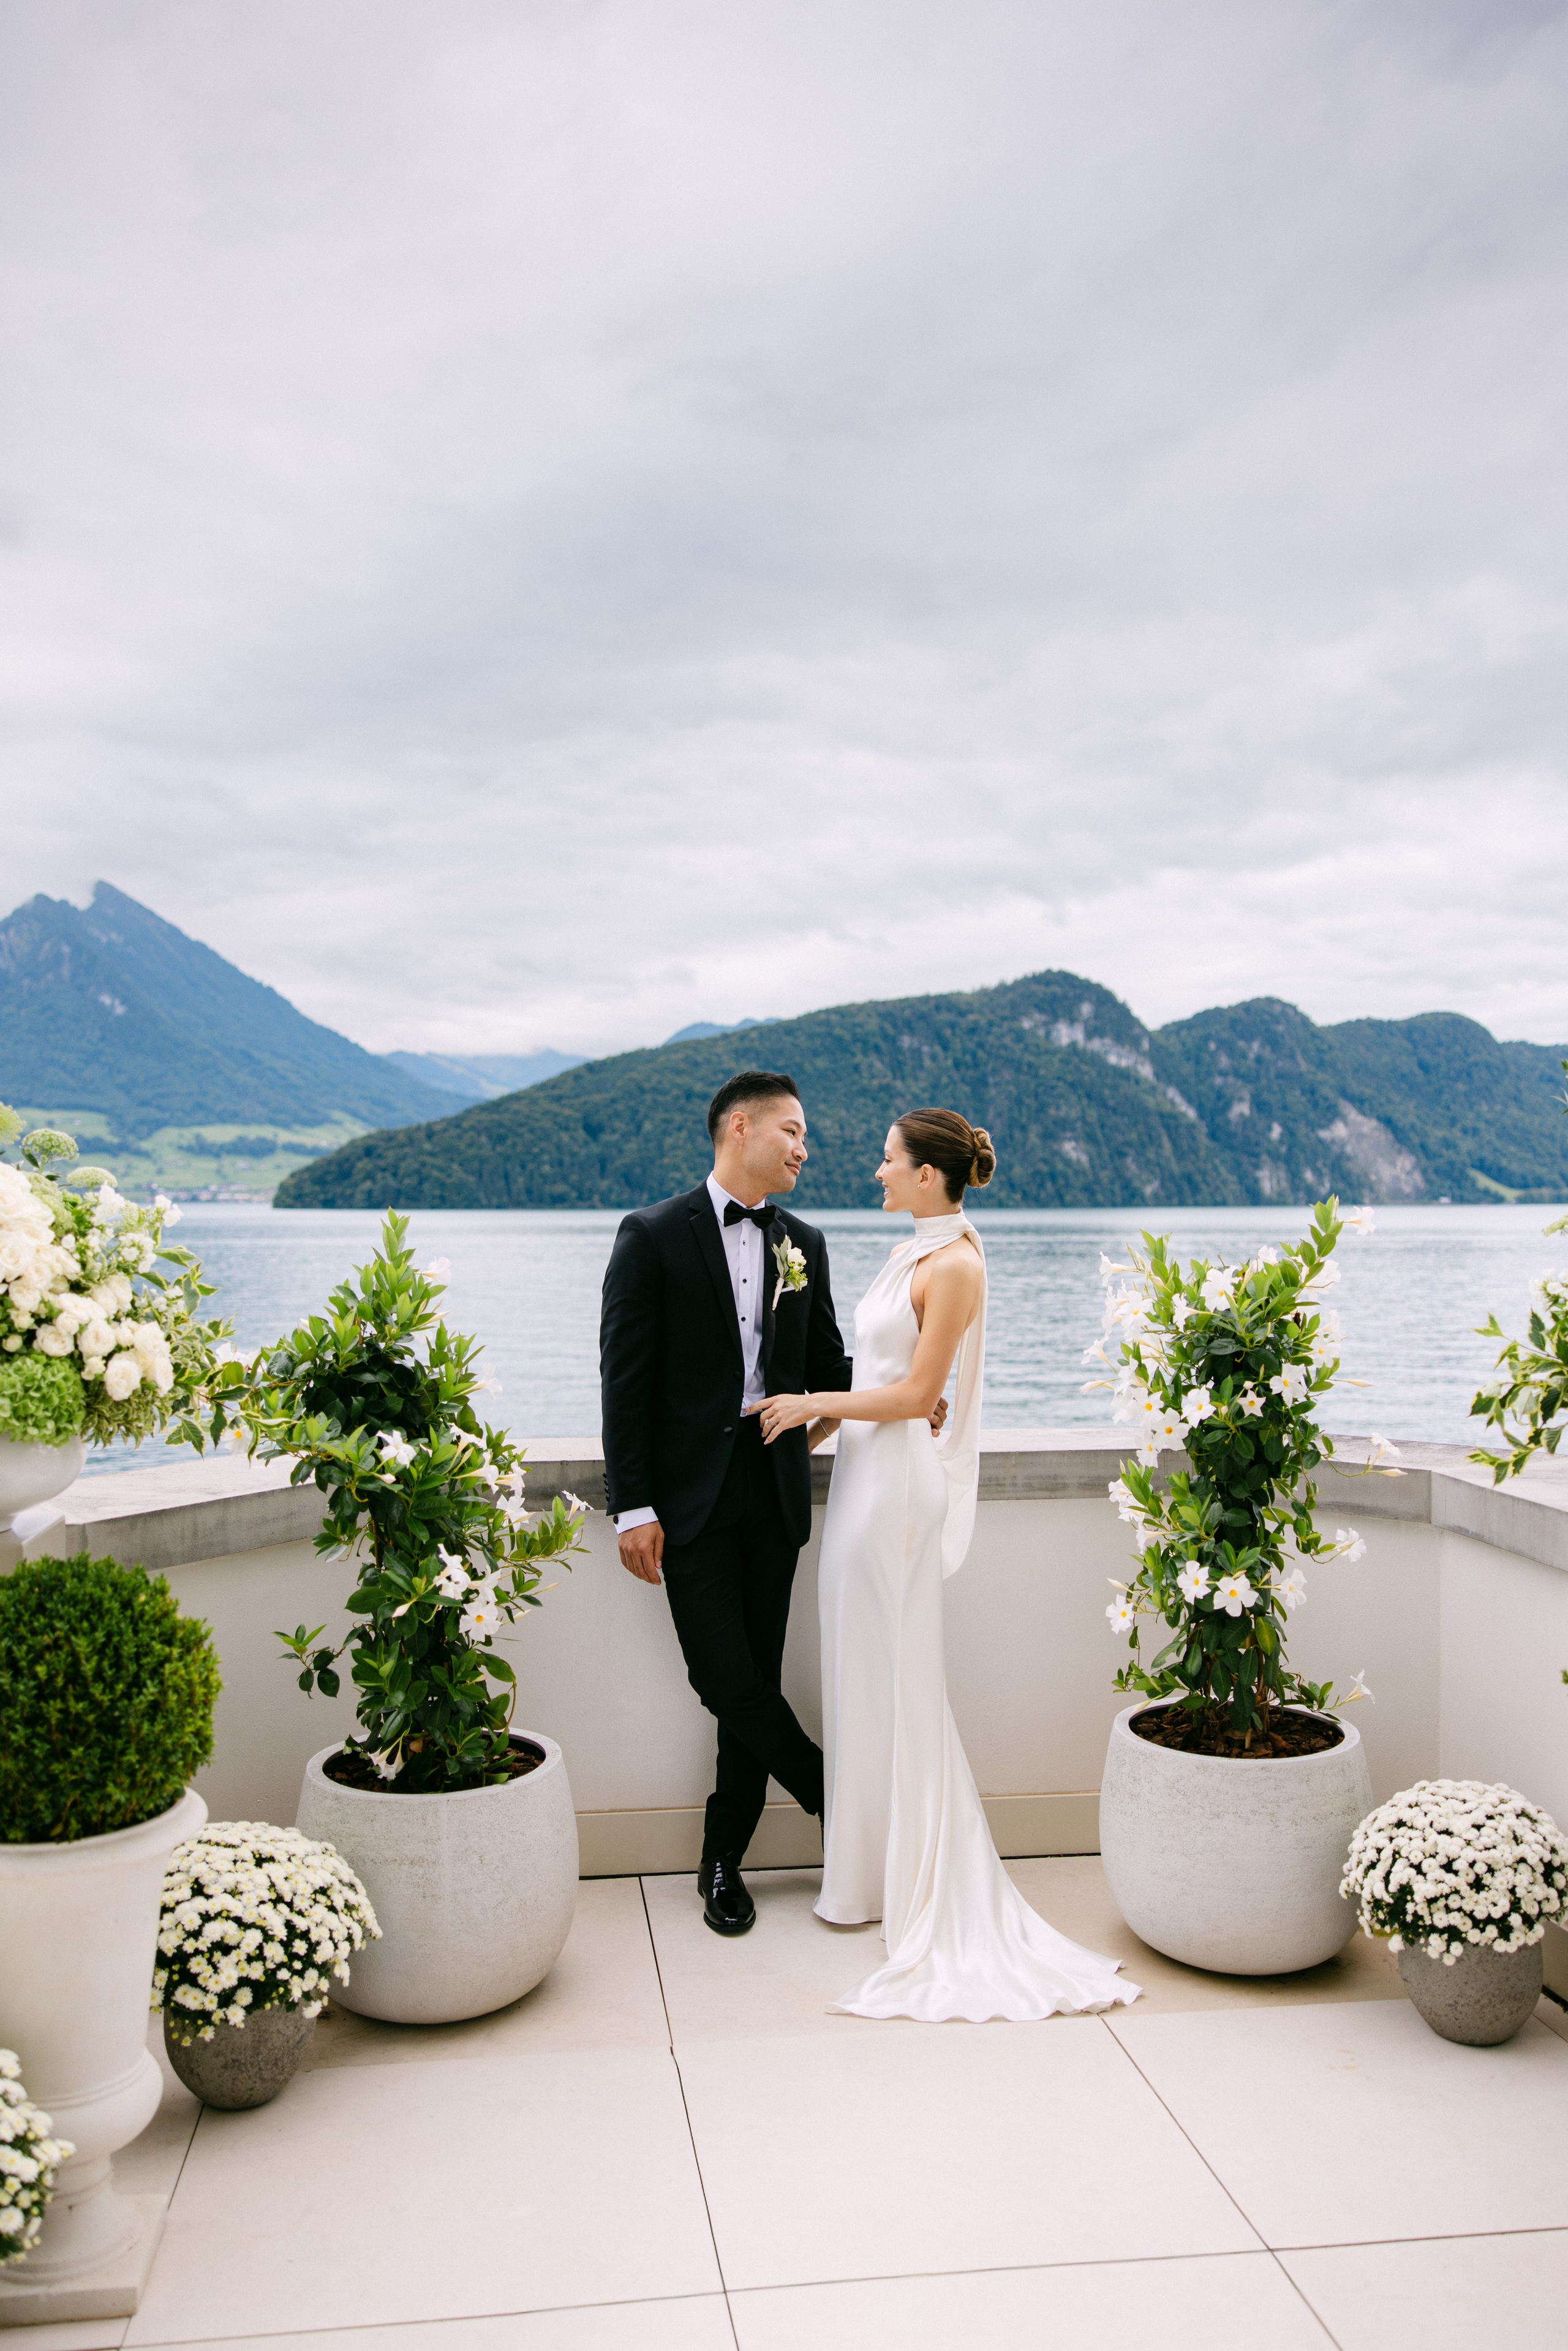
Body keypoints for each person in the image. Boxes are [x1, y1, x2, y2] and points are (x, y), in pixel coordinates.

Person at [755, 1108, 1140, 2021]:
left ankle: (913, 1876)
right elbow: (888, 1377)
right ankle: (865, 1875)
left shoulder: (958, 1262)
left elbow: (922, 1394)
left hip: (896, 1496)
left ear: (929, 1172)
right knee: (862, 1676)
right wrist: (826, 1419)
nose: (876, 1170)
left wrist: (818, 1399)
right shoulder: (911, 1253)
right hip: (863, 1479)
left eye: (889, 1159)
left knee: (896, 1679)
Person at [599, 1070, 856, 1939]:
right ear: (737, 1127)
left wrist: (885, 1403)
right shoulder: (651, 1235)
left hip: (773, 1488)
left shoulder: (806, 1243)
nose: (802, 1146)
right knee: (724, 1678)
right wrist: (631, 1505)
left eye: (805, 1133)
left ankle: (722, 1863)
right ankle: (835, 1796)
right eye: (791, 1128)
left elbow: (831, 1367)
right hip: (689, 1499)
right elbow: (624, 1382)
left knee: (754, 1682)